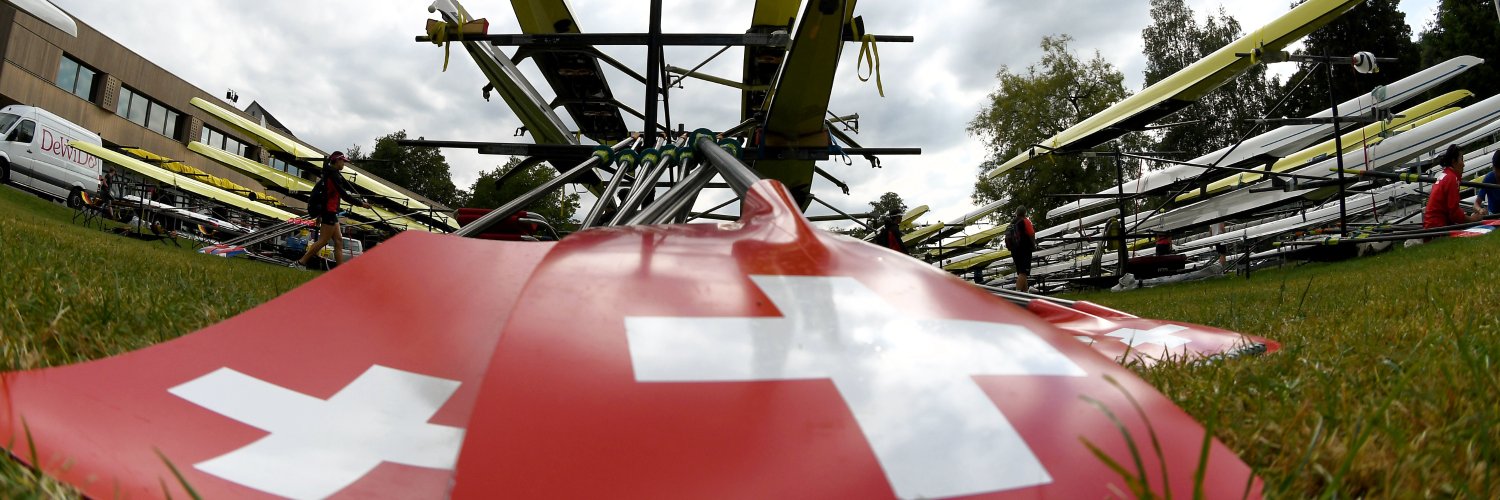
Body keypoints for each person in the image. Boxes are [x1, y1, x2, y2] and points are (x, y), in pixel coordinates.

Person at [293, 151, 371, 269]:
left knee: (338, 241)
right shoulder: (333, 176)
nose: (344, 163)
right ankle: (300, 263)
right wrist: (361, 204)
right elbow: (344, 195)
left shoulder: (333, 174)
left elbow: (330, 194)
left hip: (331, 212)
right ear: (337, 161)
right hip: (329, 211)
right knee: (323, 240)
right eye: (343, 161)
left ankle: (339, 271)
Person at [1424, 144, 1483, 230]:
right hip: (1438, 228)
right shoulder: (1451, 178)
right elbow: (1454, 213)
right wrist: (1472, 219)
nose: (1463, 164)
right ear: (1453, 161)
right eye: (1461, 159)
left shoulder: (1446, 174)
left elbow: (1452, 210)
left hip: (1432, 225)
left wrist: (1464, 216)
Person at [1004, 207, 1036, 293]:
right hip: (1025, 249)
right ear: (1025, 213)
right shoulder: (1025, 221)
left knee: (1021, 273)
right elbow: (1031, 234)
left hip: (1014, 251)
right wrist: (1033, 246)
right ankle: (1017, 293)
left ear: (1016, 213)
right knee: (1023, 272)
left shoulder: (1011, 224)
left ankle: (1025, 293)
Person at [1472, 150, 1500, 216]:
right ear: (1493, 168)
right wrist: (1480, 210)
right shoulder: (1489, 178)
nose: (1499, 174)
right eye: (1497, 171)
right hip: (1494, 217)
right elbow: (1476, 204)